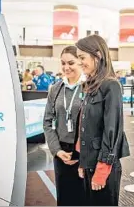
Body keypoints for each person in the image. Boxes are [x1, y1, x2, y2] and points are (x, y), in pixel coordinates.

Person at [74, 35, 130, 206]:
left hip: (103, 166)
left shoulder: (111, 86)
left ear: (97, 55)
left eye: (82, 57)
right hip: (90, 162)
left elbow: (112, 132)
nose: (79, 62)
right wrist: (83, 162)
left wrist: (102, 170)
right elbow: (86, 127)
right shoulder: (92, 86)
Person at [43, 46, 84, 206]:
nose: (66, 67)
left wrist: (81, 154)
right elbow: (47, 122)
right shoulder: (55, 89)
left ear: (81, 62)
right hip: (61, 152)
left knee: (83, 198)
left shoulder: (90, 88)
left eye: (71, 63)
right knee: (65, 199)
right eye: (63, 63)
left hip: (83, 153)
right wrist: (57, 150)